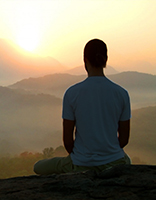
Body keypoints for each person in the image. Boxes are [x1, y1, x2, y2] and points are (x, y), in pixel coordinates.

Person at [34, 39, 131, 175]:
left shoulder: (72, 93)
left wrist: (83, 157)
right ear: (106, 60)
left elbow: (68, 141)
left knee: (38, 167)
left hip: (80, 164)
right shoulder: (122, 93)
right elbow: (124, 139)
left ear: (85, 60)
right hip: (114, 162)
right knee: (128, 161)